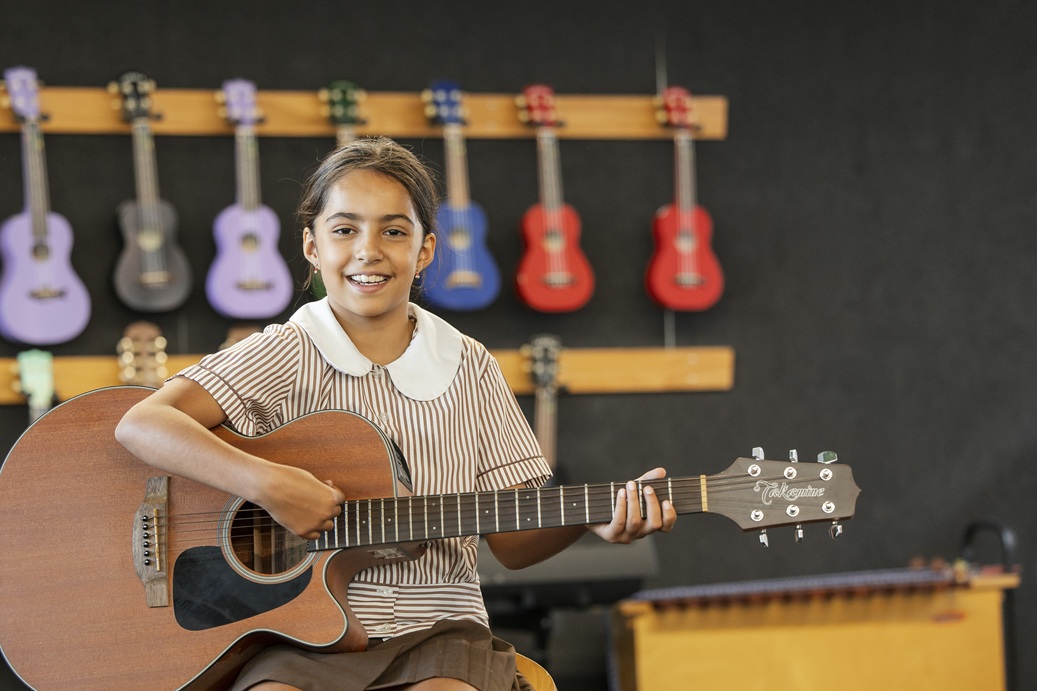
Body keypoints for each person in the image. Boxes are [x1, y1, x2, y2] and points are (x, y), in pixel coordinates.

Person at [115, 136, 676, 691]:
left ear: (425, 249)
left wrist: (591, 516)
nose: (368, 250)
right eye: (344, 230)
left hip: (440, 629)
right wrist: (266, 484)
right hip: (297, 633)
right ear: (312, 247)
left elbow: (512, 544)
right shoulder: (284, 351)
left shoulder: (468, 365)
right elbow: (142, 424)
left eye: (393, 230)